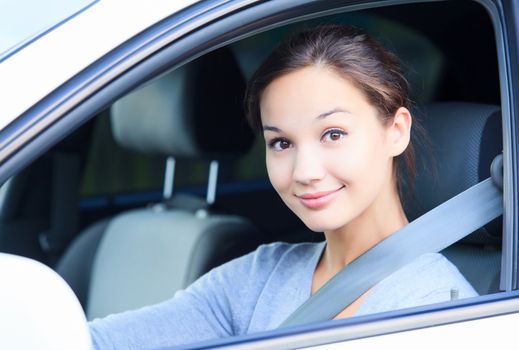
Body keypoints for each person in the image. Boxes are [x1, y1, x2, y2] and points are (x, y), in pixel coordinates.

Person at [89, 24, 477, 349]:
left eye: (333, 133)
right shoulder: (259, 279)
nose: (304, 171)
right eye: (282, 143)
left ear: (395, 131)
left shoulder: (439, 309)